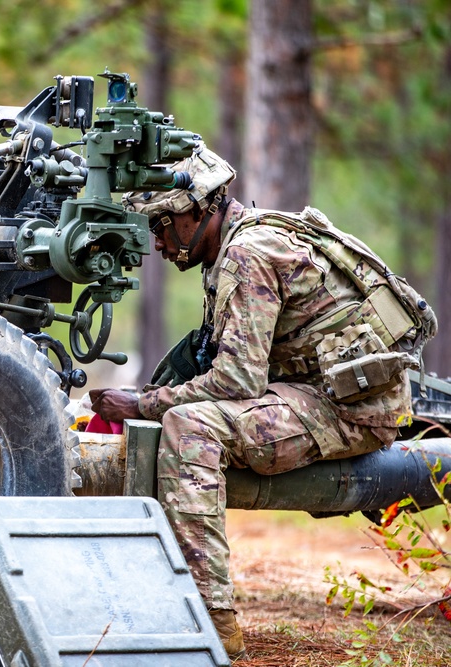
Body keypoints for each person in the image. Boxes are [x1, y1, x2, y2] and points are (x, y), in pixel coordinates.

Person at [88, 144, 436, 661]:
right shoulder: (240, 243)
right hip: (320, 391)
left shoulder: (248, 254)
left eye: (161, 225)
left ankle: (212, 622)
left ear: (197, 212)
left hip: (349, 410)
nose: (156, 242)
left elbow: (235, 381)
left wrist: (143, 403)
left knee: (191, 426)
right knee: (182, 414)